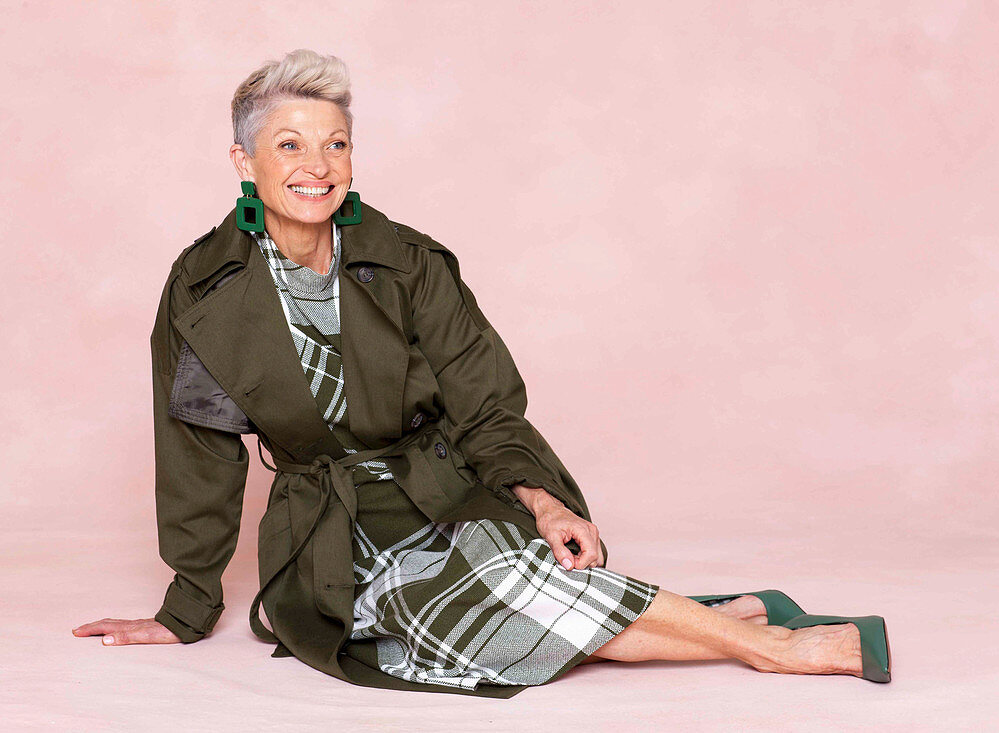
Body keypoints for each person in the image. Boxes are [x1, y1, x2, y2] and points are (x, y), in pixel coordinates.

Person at [73, 49, 890, 697]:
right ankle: (743, 623)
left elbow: (486, 401)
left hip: (439, 492)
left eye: (336, 142)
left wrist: (540, 495)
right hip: (328, 526)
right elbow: (197, 449)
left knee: (506, 577)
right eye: (289, 143)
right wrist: (185, 609)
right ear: (244, 161)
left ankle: (773, 646)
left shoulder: (410, 262)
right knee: (430, 626)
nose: (316, 164)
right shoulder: (204, 288)